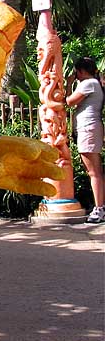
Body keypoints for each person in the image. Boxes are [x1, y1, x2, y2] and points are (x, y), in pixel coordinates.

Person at [66, 57, 104, 223]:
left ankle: (100, 209)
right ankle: (100, 207)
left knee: (93, 172)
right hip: (90, 128)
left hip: (88, 128)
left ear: (80, 71)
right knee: (95, 171)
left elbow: (68, 101)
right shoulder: (94, 84)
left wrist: (68, 84)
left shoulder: (88, 84)